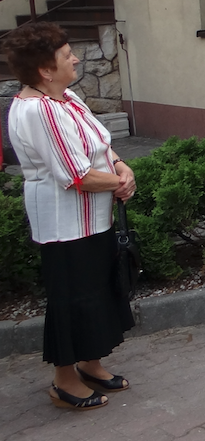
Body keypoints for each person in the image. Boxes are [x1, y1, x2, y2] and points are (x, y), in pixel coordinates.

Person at [3, 22, 137, 411]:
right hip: (65, 225)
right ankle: (64, 380)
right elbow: (75, 175)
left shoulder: (67, 97)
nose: (75, 58)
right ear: (45, 69)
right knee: (72, 298)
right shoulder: (39, 110)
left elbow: (101, 144)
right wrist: (118, 183)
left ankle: (90, 362)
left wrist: (121, 166)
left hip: (94, 219)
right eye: (66, 55)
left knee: (96, 291)